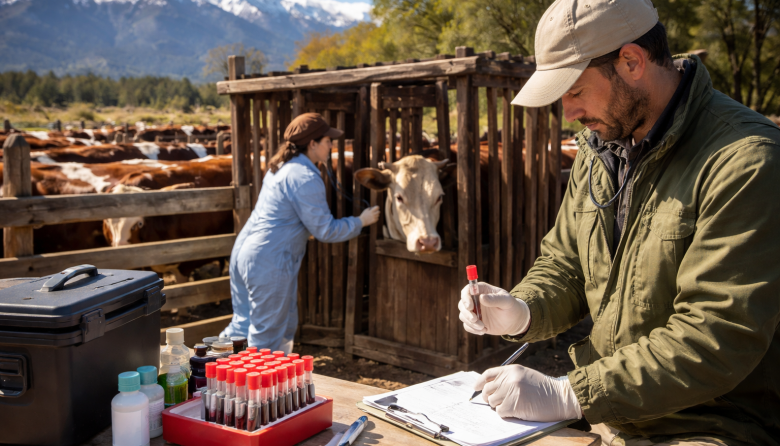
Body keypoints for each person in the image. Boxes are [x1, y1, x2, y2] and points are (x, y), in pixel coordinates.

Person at [458, 0, 780, 444]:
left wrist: (571, 393)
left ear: (631, 61)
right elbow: (566, 261)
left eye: (574, 90)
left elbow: (717, 334)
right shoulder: (599, 148)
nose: (568, 112)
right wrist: (524, 309)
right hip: (613, 419)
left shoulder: (746, 161)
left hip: (710, 425)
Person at [221, 113, 380, 353]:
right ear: (312, 144)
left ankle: (206, 374)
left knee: (242, 324)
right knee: (268, 336)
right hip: (269, 261)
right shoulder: (305, 177)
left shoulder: (280, 167)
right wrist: (361, 221)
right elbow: (325, 230)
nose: (331, 146)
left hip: (244, 253)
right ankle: (261, 388)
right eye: (327, 140)